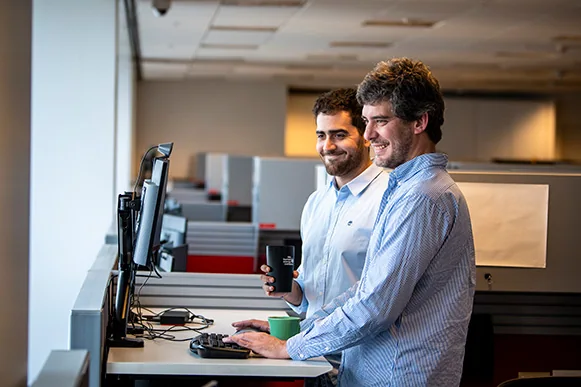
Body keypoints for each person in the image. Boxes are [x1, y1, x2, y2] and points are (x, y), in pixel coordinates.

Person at [224, 57, 476, 387]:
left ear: (419, 122)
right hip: (368, 370)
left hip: (396, 376)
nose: (369, 135)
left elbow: (375, 305)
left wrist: (291, 347)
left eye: (380, 121)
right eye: (367, 122)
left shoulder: (422, 197)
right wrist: (301, 330)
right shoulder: (406, 190)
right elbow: (365, 290)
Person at [264, 87, 389, 386]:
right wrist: (292, 291)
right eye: (321, 135)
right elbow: (311, 297)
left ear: (365, 136)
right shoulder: (316, 203)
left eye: (339, 134)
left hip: (361, 362)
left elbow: (379, 296)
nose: (328, 146)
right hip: (315, 355)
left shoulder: (387, 199)